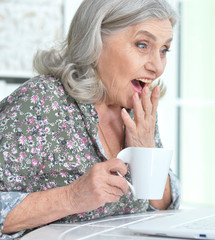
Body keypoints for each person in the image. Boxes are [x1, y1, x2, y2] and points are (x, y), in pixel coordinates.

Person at [0, 0, 180, 238]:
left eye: (164, 50)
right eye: (142, 44)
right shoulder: (41, 101)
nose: (157, 66)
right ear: (95, 41)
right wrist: (71, 197)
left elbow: (166, 203)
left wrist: (148, 152)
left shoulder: (136, 107)